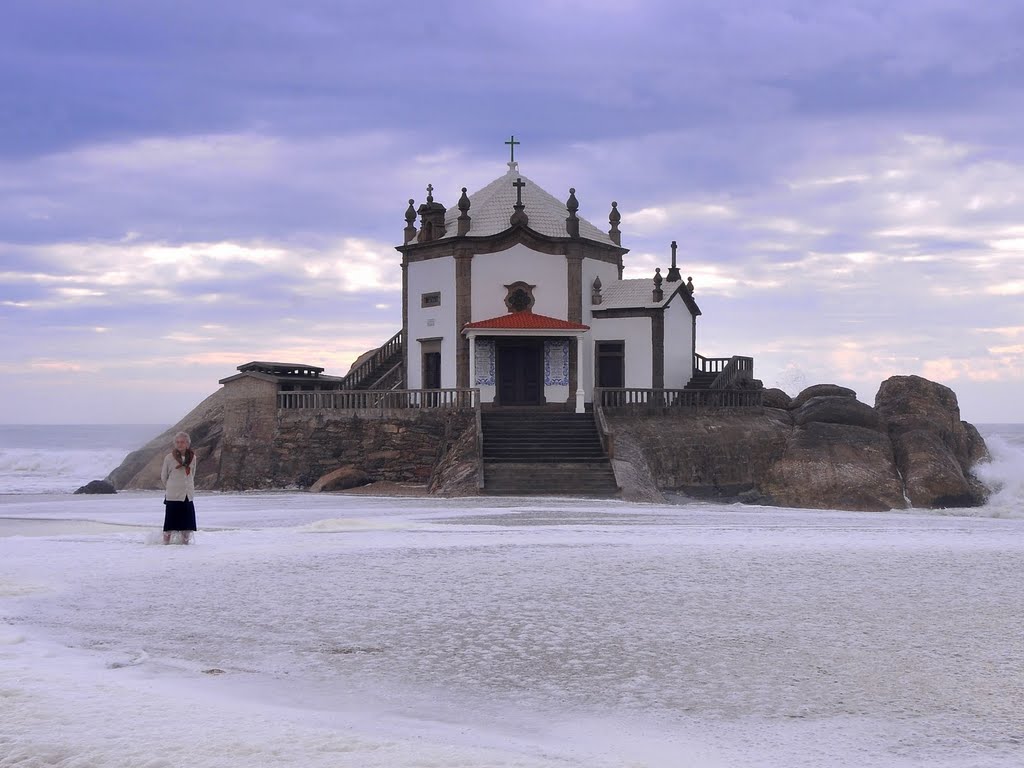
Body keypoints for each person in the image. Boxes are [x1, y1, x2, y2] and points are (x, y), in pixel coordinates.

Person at [160, 431, 198, 545]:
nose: (179, 444)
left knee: (187, 524)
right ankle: (165, 544)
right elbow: (163, 476)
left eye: (182, 442)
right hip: (173, 495)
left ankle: (185, 544)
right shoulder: (169, 457)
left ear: (187, 443)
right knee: (170, 524)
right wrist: (171, 487)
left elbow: (193, 473)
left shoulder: (193, 458)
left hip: (187, 495)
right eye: (177, 442)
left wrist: (187, 487)